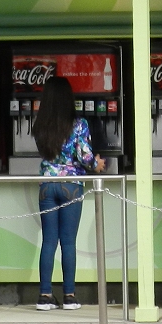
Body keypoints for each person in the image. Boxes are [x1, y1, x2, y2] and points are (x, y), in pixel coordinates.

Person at [32, 76, 105, 311]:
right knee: (69, 242)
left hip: (47, 184)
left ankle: (44, 295)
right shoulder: (79, 124)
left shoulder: (40, 124)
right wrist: (98, 164)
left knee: (49, 241)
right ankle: (69, 296)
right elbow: (84, 157)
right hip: (71, 185)